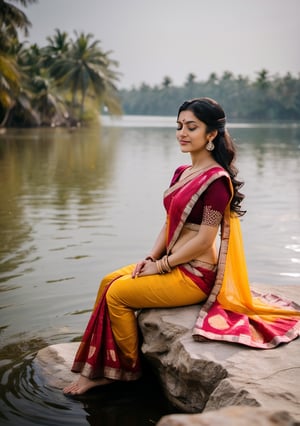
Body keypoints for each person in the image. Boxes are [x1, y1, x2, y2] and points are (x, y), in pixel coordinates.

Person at [63, 97, 300, 396]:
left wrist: (161, 266)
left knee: (118, 295)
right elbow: (168, 223)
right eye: (179, 126)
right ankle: (101, 365)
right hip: (170, 260)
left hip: (195, 274)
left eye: (192, 127)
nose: (182, 133)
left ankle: (126, 370)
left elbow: (204, 238)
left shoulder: (216, 182)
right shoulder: (181, 173)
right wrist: (151, 257)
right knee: (107, 281)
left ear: (211, 134)